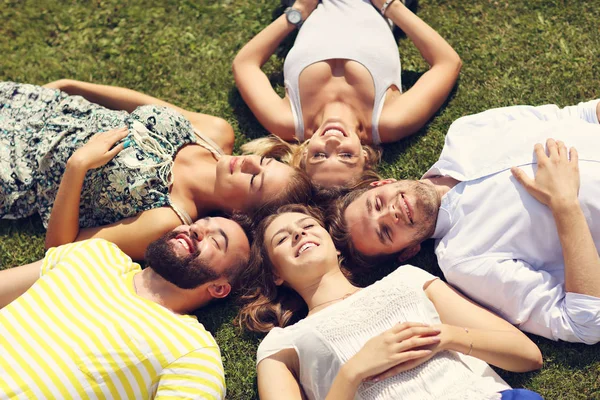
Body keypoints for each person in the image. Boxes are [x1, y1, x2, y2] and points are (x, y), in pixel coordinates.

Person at [331, 99, 600, 344]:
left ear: (383, 183)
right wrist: (565, 205)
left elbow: (581, 115)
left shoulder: (465, 132)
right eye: (386, 232)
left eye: (377, 203)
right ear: (408, 252)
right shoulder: (465, 261)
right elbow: (582, 323)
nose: (391, 213)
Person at [236, 204, 543, 400]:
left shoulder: (407, 280)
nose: (299, 234)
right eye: (282, 238)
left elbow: (527, 355)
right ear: (276, 274)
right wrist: (354, 371)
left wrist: (444, 338)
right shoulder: (282, 344)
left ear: (336, 246)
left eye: (307, 226)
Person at [0, 80, 312, 260]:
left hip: (16, 169)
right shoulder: (216, 133)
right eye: (266, 161)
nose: (251, 162)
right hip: (37, 105)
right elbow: (140, 105)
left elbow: (61, 250)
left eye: (255, 179)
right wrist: (74, 87)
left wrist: (77, 166)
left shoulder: (167, 217)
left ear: (240, 213)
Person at [0, 216, 251, 399]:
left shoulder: (192, 352)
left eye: (216, 241)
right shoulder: (96, 253)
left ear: (219, 288)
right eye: (200, 222)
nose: (196, 229)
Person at [232, 0, 461, 188]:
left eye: (319, 156)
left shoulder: (287, 120)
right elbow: (447, 63)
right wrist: (391, 6)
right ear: (364, 158)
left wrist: (297, 13)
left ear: (303, 156)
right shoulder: (389, 120)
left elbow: (245, 64)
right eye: (346, 156)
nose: (333, 142)